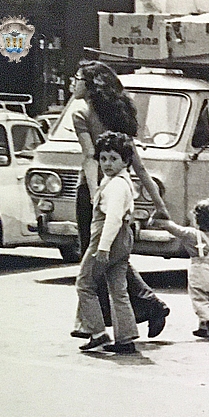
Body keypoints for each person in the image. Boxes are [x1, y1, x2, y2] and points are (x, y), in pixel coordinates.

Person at [69, 61, 171, 340]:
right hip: (122, 195)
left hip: (96, 194)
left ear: (89, 86)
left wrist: (94, 196)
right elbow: (139, 168)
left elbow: (90, 158)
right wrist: (160, 206)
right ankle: (96, 322)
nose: (72, 83)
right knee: (115, 256)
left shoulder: (80, 113)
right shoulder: (117, 115)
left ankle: (102, 322)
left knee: (95, 258)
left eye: (77, 78)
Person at [75, 132, 139, 354]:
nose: (107, 164)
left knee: (84, 283)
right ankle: (125, 337)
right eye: (103, 159)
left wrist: (102, 248)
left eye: (113, 159)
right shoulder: (121, 181)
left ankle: (98, 332)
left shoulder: (115, 186)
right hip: (123, 239)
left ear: (125, 161)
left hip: (106, 238)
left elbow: (112, 218)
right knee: (117, 288)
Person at [149, 199, 209, 342]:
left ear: (197, 220)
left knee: (200, 300)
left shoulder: (192, 234)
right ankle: (204, 327)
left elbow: (174, 228)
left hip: (199, 270)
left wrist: (158, 222)